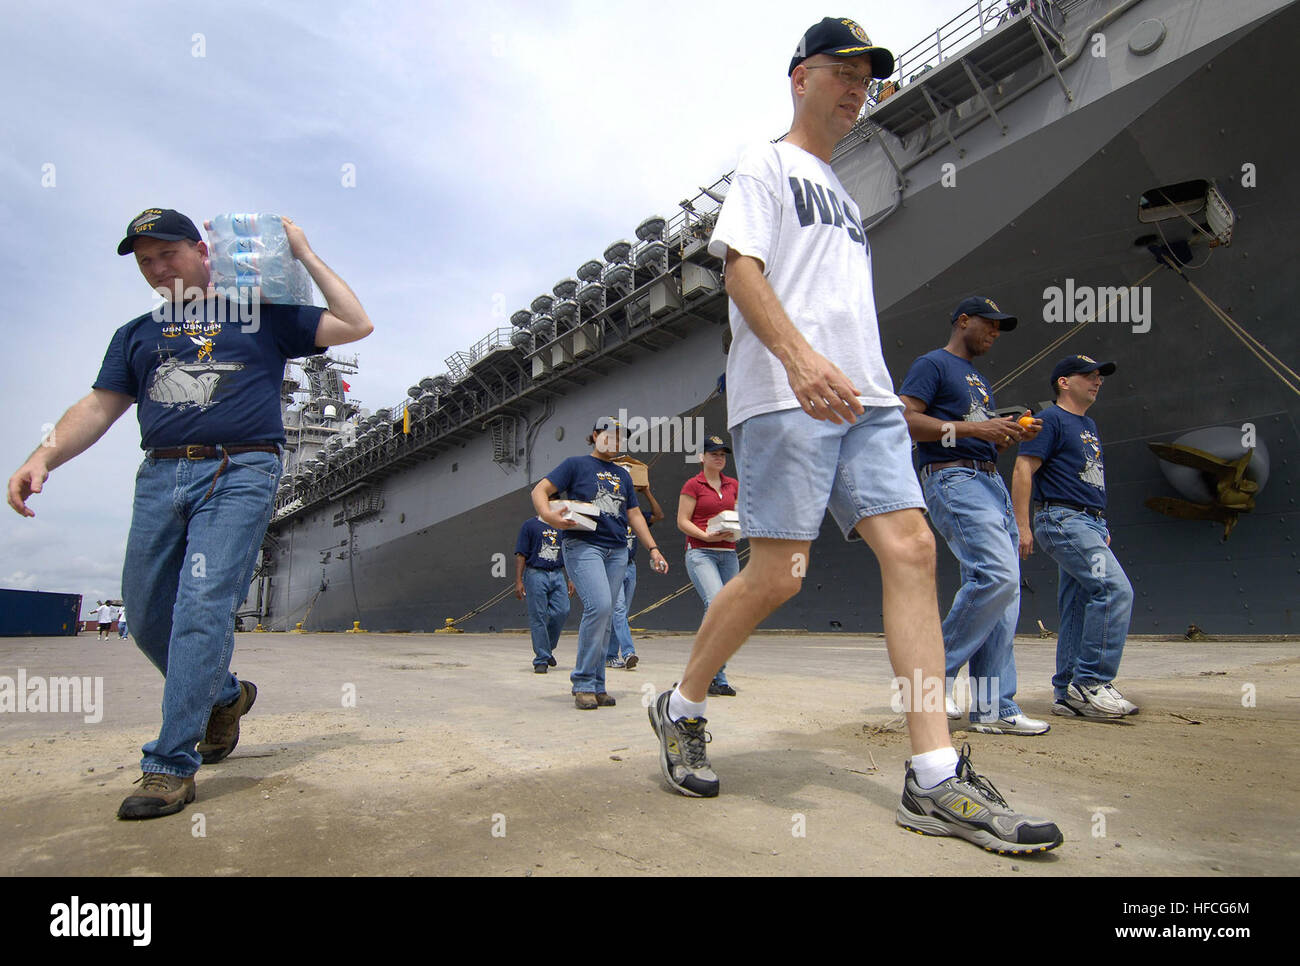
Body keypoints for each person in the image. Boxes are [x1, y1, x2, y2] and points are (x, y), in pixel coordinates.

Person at [646, 19, 1062, 855]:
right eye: (841, 70)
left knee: (912, 551)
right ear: (799, 77)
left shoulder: (846, 195)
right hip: (787, 394)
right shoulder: (766, 164)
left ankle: (935, 776)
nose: (857, 87)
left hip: (868, 399)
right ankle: (681, 706)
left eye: (867, 77)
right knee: (778, 576)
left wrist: (857, 380)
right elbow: (739, 270)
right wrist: (800, 362)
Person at [7, 207, 374, 820]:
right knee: (146, 613)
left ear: (204, 251)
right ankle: (225, 696)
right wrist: (44, 456)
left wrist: (303, 254)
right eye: (145, 261)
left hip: (241, 469)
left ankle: (169, 765)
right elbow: (101, 405)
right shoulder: (136, 334)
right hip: (160, 471)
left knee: (201, 607)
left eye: (167, 254)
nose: (156, 269)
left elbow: (355, 323)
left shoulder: (260, 316)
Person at [898, 297, 1049, 736]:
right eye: (989, 324)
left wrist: (1004, 434)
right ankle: (929, 682)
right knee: (995, 577)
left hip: (988, 478)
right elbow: (906, 420)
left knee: (1006, 595)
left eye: (1000, 328)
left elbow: (969, 432)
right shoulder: (933, 364)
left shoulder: (979, 380)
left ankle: (994, 707)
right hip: (954, 479)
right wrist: (978, 429)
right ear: (962, 321)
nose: (995, 333)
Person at [1013, 355, 1137, 719]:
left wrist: (1100, 524)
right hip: (1062, 519)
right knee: (1114, 590)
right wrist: (1023, 525)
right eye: (1088, 376)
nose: (1097, 381)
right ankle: (1092, 682)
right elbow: (1024, 467)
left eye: (1099, 376)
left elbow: (1087, 476)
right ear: (1064, 382)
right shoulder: (1050, 419)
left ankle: (1067, 691)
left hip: (1088, 523)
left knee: (1078, 605)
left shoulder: (1088, 424)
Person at [531, 417, 668, 710]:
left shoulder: (624, 475)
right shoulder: (575, 465)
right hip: (584, 545)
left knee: (605, 617)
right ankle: (582, 681)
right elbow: (539, 491)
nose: (616, 441)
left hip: (618, 550)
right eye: (611, 435)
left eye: (621, 438)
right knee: (601, 606)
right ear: (595, 435)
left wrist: (653, 548)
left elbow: (633, 515)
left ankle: (598, 684)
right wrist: (550, 516)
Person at [677, 434, 741, 695]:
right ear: (701, 457)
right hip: (701, 552)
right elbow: (682, 520)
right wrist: (704, 535)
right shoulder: (693, 485)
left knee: (728, 613)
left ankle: (718, 676)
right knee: (716, 603)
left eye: (722, 454)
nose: (719, 457)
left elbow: (737, 515)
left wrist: (735, 530)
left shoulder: (733, 484)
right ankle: (699, 672)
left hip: (728, 553)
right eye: (713, 453)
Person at [605, 480, 663, 670]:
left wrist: (647, 492)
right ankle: (628, 651)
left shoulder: (636, 517)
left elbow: (658, 515)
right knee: (619, 611)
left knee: (621, 613)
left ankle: (611, 655)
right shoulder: (612, 517)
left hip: (631, 566)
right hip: (614, 565)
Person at [514, 514, 574, 673]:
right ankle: (541, 659)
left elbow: (568, 554)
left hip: (558, 573)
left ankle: (546, 648)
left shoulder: (562, 526)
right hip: (536, 573)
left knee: (563, 611)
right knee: (538, 616)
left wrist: (571, 578)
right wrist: (519, 580)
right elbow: (521, 554)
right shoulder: (529, 525)